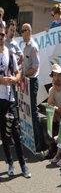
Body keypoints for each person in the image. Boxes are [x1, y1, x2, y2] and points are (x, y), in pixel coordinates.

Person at [0, 25, 26, 179]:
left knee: (15, 131)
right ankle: (10, 163)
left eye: (2, 35)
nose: (1, 37)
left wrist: (14, 79)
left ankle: (23, 164)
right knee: (4, 133)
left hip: (9, 98)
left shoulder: (9, 52)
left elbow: (18, 73)